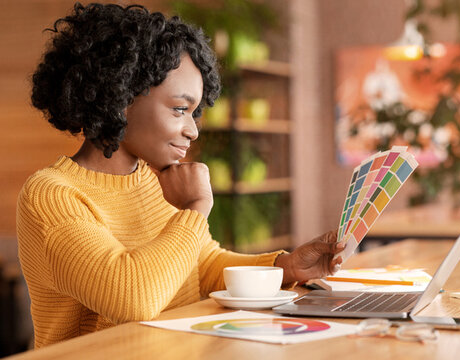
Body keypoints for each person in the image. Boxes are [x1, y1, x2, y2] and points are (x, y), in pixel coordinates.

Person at [17, 3, 344, 348]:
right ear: (120, 96)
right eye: (179, 109)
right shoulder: (52, 195)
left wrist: (287, 267)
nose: (193, 131)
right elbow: (132, 298)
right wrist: (196, 205)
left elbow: (202, 266)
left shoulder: (155, 179)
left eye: (195, 113)